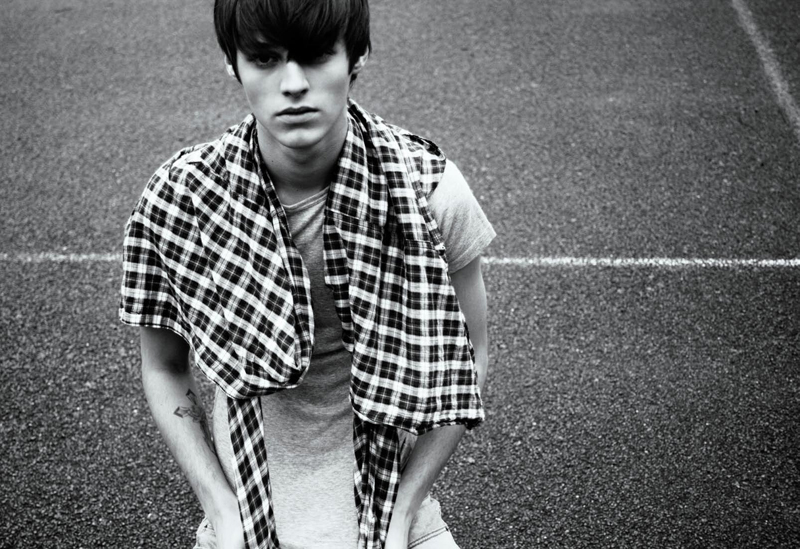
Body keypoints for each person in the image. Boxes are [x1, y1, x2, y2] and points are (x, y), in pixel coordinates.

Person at [119, 0, 495, 547]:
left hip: (397, 521)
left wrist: (403, 513)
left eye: (316, 56)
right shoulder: (182, 199)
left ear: (357, 56)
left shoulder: (429, 189)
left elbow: (469, 356)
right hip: (244, 527)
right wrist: (222, 512)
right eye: (265, 59)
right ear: (232, 62)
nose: (293, 83)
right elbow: (164, 367)